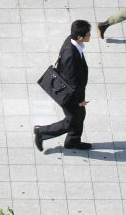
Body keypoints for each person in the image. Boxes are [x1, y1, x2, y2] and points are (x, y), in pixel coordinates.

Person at [34, 20, 92, 152]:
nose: (90, 36)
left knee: (80, 116)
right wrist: (80, 101)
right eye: (88, 34)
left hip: (74, 91)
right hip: (70, 95)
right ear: (79, 37)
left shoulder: (72, 41)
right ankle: (41, 132)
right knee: (72, 120)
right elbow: (73, 83)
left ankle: (73, 142)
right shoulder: (71, 55)